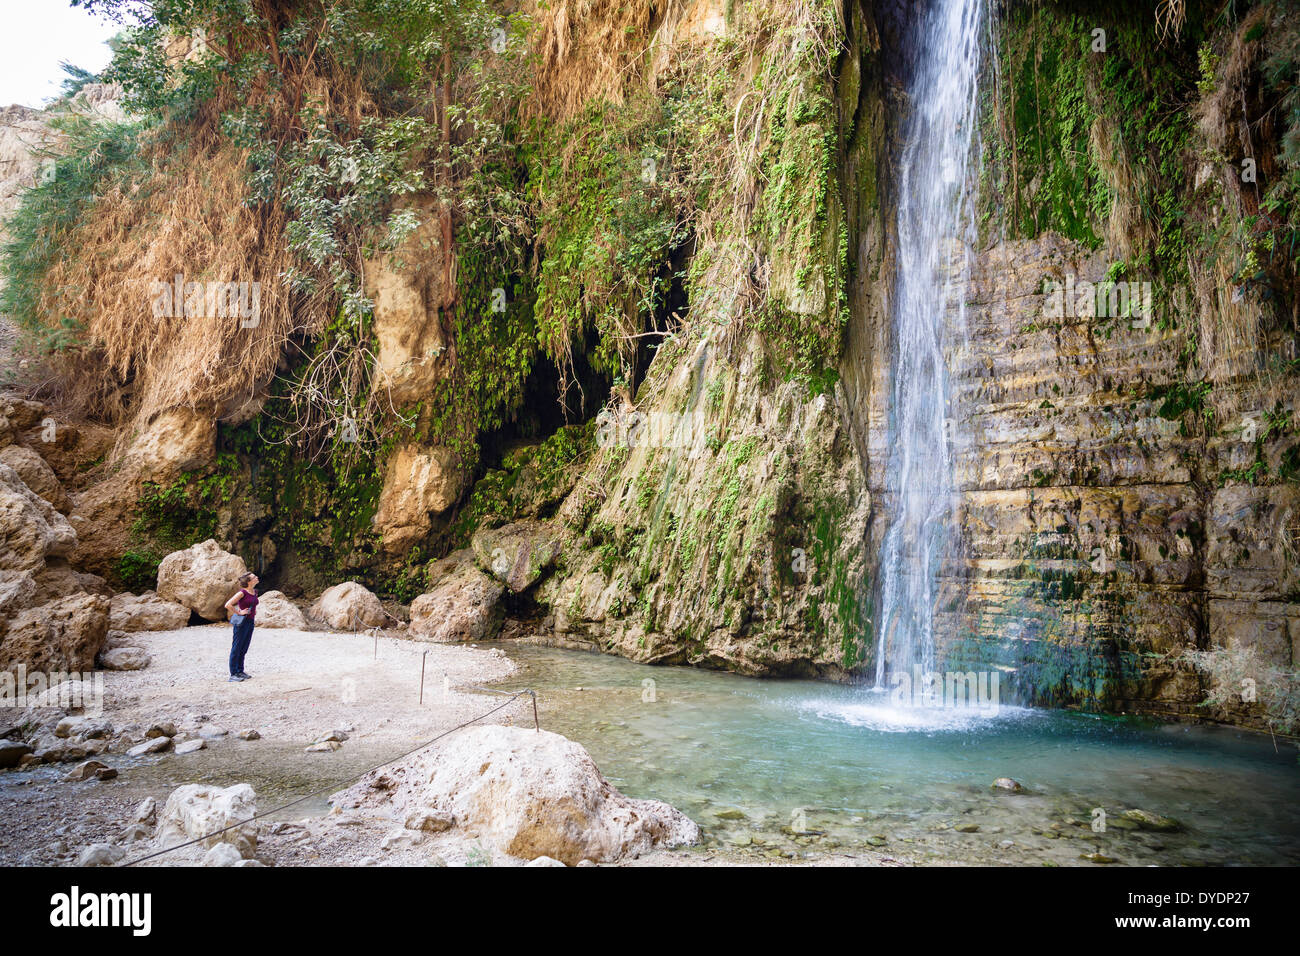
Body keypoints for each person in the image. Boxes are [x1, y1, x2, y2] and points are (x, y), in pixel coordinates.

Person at [223, 572, 260, 682]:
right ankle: (233, 673)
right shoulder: (242, 592)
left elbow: (252, 605)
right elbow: (228, 604)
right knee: (237, 647)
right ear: (249, 581)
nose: (257, 577)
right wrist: (239, 612)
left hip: (250, 621)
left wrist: (253, 611)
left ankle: (240, 671)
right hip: (242, 623)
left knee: (244, 647)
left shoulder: (254, 592)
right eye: (254, 577)